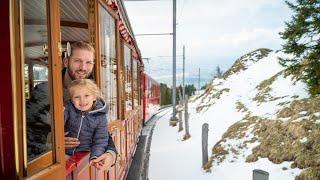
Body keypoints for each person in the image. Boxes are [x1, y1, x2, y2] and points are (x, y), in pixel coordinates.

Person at [27, 41, 117, 170]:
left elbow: (101, 131)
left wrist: (111, 154)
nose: (83, 67)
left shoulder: (93, 93)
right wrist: (50, 141)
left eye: (88, 62)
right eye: (77, 61)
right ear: (66, 62)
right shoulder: (45, 92)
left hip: (80, 167)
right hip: (49, 168)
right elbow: (25, 134)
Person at [64, 79, 109, 165]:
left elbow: (101, 139)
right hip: (65, 152)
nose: (82, 101)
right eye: (77, 97)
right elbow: (59, 121)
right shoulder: (68, 108)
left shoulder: (100, 115)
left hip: (85, 154)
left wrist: (96, 156)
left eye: (87, 95)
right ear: (71, 99)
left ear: (94, 97)